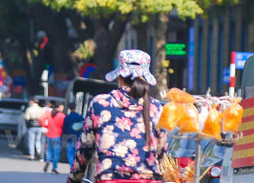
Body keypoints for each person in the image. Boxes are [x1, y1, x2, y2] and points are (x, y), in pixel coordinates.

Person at [67, 49, 166, 183]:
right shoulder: (157, 108)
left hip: (110, 178)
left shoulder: (101, 103)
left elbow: (85, 148)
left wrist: (74, 179)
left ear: (119, 76)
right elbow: (161, 153)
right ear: (145, 78)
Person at [43, 102, 65, 173]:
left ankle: (48, 161)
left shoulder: (49, 113)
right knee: (56, 153)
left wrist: (45, 126)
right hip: (57, 135)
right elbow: (63, 126)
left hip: (49, 134)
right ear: (59, 107)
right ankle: (54, 167)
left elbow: (41, 118)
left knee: (49, 151)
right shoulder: (62, 116)